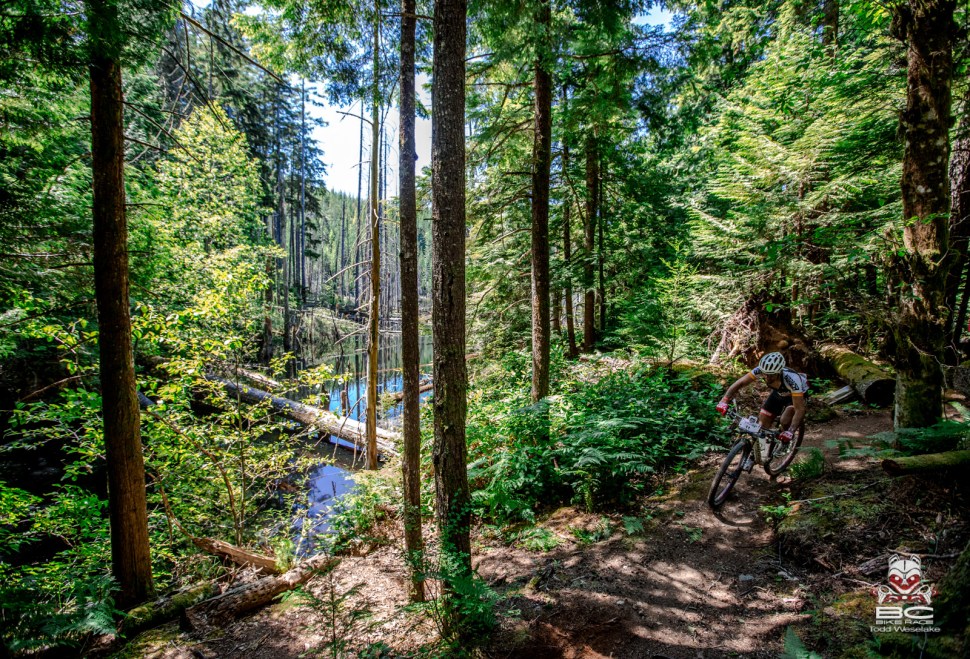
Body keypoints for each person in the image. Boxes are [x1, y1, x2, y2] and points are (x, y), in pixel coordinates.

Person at [716, 352, 808, 446]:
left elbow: (799, 409)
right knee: (762, 424)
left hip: (794, 397)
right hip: (778, 393)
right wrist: (724, 400)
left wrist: (791, 431)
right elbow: (740, 383)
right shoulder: (761, 370)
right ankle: (763, 451)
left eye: (771, 375)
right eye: (765, 374)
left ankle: (786, 440)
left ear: (779, 372)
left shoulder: (792, 379)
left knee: (785, 420)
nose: (767, 377)